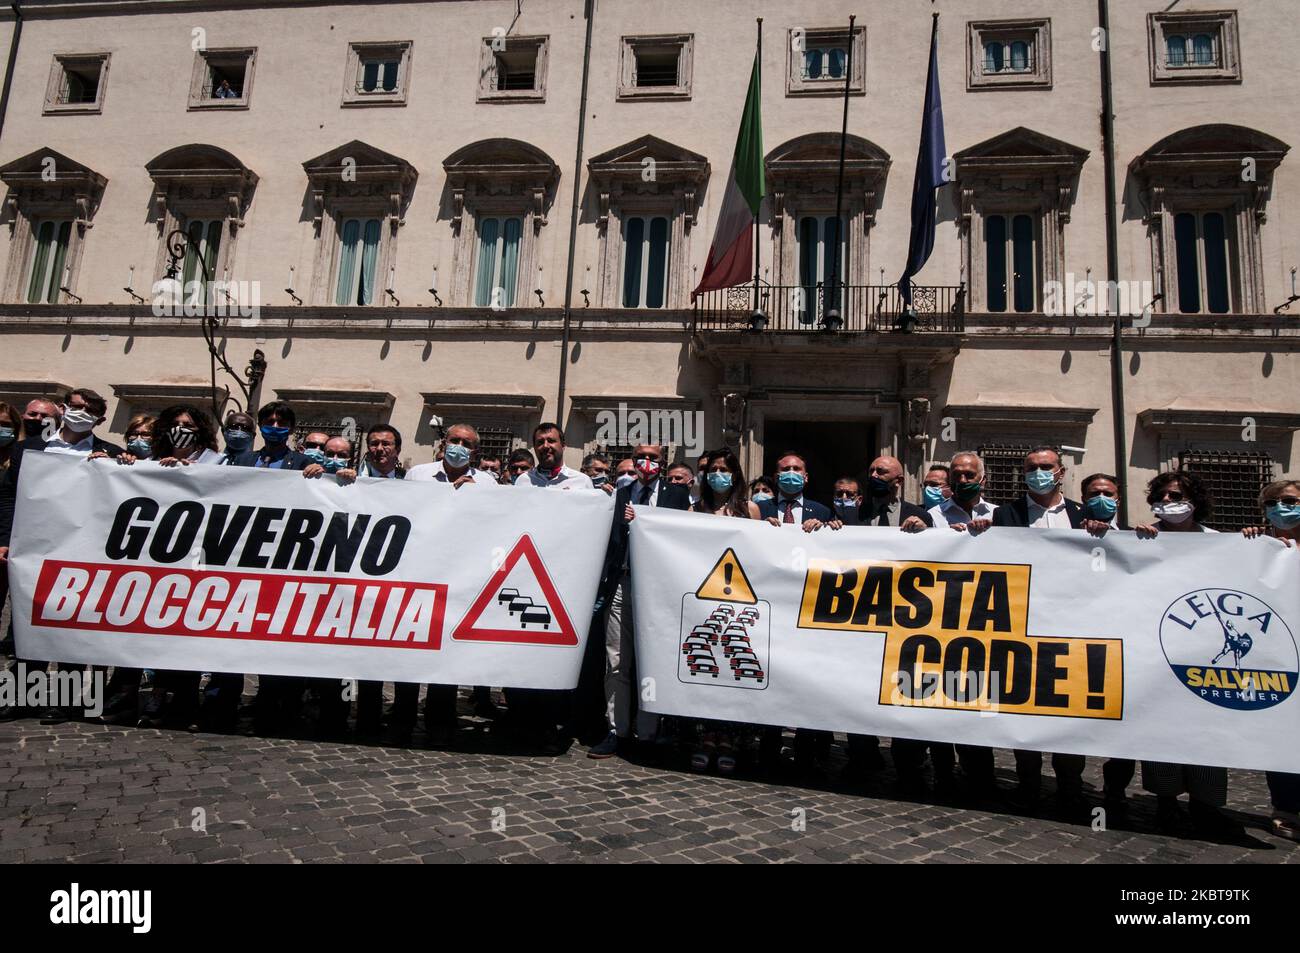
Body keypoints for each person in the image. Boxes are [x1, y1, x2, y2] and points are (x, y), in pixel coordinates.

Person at [1133, 471, 1240, 836]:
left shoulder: (1221, 543)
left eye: (1175, 495)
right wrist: (1137, 543)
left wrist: (1258, 543)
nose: (1167, 503)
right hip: (1157, 652)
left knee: (1208, 728)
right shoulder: (1145, 539)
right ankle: (1165, 802)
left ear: (1194, 499)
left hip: (1209, 652)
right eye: (1160, 497)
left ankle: (1206, 805)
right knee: (1161, 727)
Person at [991, 446, 1087, 816]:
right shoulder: (1006, 514)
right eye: (1031, 468)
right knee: (1026, 707)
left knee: (1069, 708)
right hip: (1023, 626)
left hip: (1073, 626)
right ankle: (1028, 783)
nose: (1038, 472)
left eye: (1045, 467)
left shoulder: (1082, 514)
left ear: (1060, 471)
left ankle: (1070, 787)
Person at [589, 442, 689, 759]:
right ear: (633, 461)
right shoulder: (619, 493)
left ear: (663, 463)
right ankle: (615, 730)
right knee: (616, 659)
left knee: (652, 660)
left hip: (657, 587)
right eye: (641, 457)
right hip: (622, 580)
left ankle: (646, 733)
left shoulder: (677, 496)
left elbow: (680, 536)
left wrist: (648, 519)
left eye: (653, 458)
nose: (647, 462)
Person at [687, 448, 760, 773]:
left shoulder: (752, 510)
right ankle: (707, 736)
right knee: (707, 668)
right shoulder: (694, 510)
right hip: (704, 601)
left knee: (733, 668)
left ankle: (729, 737)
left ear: (736, 475)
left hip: (740, 602)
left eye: (724, 469)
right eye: (713, 469)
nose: (718, 475)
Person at [1075, 472, 1139, 821]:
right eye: (1094, 493)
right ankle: (1069, 784)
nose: (1101, 498)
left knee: (1123, 723)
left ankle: (1115, 788)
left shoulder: (1134, 537)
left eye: (1108, 493)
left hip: (1123, 641)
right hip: (1075, 639)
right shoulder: (1066, 535)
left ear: (1118, 496)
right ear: (1082, 497)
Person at [1244, 478, 1300, 841]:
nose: (1283, 507)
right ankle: (1287, 809)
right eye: (1275, 502)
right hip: (1277, 655)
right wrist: (1248, 545)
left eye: (1291, 500)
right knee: (1283, 734)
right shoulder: (1255, 546)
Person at [757, 452, 833, 527]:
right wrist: (762, 526)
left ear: (806, 477)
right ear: (776, 477)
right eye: (786, 469)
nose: (791, 472)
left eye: (796, 469)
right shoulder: (760, 508)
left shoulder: (822, 512)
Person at [43, 388, 123, 457]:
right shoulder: (34, 443)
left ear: (100, 421)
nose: (82, 412)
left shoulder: (114, 453)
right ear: (62, 409)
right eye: (77, 406)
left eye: (91, 410)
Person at [928, 452, 997, 531]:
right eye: (956, 475)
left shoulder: (996, 514)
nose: (962, 480)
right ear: (949, 479)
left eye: (969, 475)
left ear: (983, 480)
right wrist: (946, 535)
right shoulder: (934, 515)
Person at [514, 422, 592, 490]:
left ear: (563, 445)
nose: (545, 446)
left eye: (551, 441)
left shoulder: (583, 481)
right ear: (534, 448)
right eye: (540, 442)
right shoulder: (523, 480)